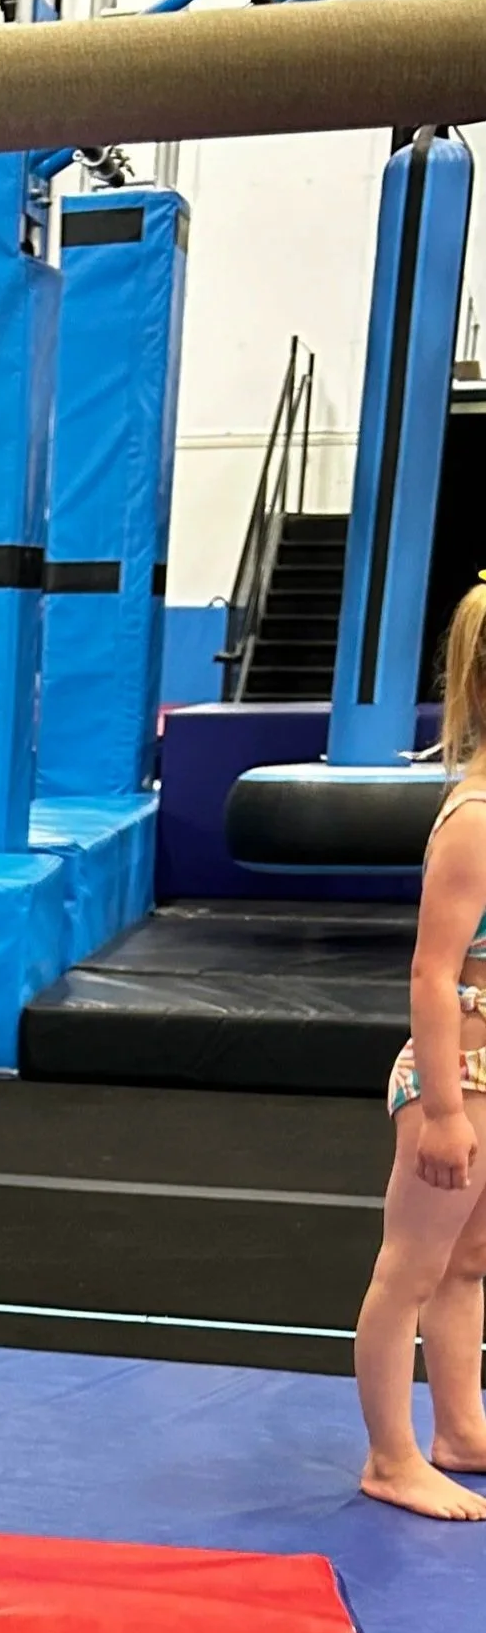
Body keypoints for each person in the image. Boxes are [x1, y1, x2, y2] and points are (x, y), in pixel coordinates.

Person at [356, 581, 486, 1519]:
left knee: (470, 1262)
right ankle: (390, 1456)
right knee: (408, 1266)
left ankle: (458, 1427)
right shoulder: (475, 818)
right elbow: (432, 974)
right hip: (459, 1077)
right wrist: (441, 1107)